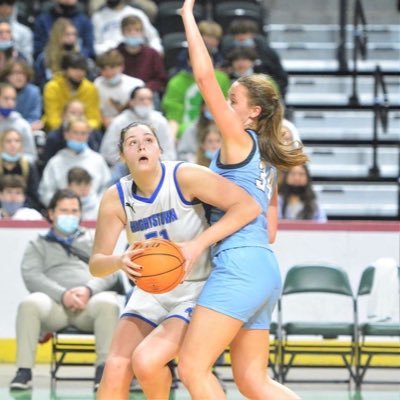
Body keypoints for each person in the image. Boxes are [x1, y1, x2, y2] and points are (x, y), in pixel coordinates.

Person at [179, 2, 308, 399]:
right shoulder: (269, 157)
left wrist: (187, 14)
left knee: (191, 367)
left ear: (252, 113)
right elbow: (269, 231)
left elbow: (203, 77)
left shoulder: (238, 141)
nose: (224, 105)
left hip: (238, 266)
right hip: (264, 269)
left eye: (231, 101)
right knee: (254, 382)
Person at [89, 121, 261, 399]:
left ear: (159, 148)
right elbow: (96, 264)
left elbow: (248, 206)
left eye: (148, 140)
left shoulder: (185, 176)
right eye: (132, 142)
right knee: (115, 367)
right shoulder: (115, 197)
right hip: (151, 290)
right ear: (122, 155)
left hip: (196, 287)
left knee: (146, 361)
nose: (141, 145)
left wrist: (197, 245)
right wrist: (119, 260)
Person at [9, 189, 120, 392]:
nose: (70, 215)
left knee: (109, 303)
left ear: (80, 213)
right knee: (29, 304)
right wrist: (63, 294)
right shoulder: (38, 244)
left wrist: (88, 290)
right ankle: (23, 371)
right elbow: (32, 276)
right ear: (51, 213)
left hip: (89, 305)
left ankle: (103, 371)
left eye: (74, 211)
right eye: (64, 210)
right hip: (55, 307)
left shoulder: (94, 239)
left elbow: (110, 271)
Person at [38, 116, 111, 207]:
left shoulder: (98, 160)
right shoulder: (55, 162)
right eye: (75, 133)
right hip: (63, 213)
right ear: (66, 134)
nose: (79, 137)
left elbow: (107, 188)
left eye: (83, 133)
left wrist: (96, 205)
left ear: (88, 135)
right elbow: (45, 192)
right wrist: (61, 206)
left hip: (94, 213)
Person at [100, 86, 176, 167]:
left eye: (149, 99)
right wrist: (130, 164)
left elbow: (169, 151)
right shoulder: (119, 121)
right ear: (131, 102)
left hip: (157, 166)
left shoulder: (160, 121)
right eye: (141, 99)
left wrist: (152, 164)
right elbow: (108, 151)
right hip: (125, 167)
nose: (146, 102)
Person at [42, 52, 102, 131]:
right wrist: (70, 129)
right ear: (65, 70)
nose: (79, 73)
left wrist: (82, 128)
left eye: (82, 69)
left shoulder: (91, 88)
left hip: (84, 130)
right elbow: (52, 119)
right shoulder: (52, 87)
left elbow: (94, 119)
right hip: (58, 130)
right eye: (74, 69)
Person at [116, 15, 167, 98]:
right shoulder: (115, 54)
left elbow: (160, 79)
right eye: (129, 30)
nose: (133, 33)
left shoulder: (152, 54)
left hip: (146, 93)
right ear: (122, 32)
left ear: (142, 32)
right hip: (121, 93)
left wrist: (145, 88)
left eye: (137, 30)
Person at [94, 48, 144, 129]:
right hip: (105, 126)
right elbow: (95, 109)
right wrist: (103, 120)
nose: (109, 72)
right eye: (104, 69)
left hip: (133, 125)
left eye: (112, 67)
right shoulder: (97, 84)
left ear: (121, 66)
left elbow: (141, 111)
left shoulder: (136, 84)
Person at [92, 0, 162, 55]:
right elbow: (96, 45)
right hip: (111, 59)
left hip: (138, 54)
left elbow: (153, 37)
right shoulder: (97, 17)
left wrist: (156, 52)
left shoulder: (137, 13)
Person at [0, 128, 41, 209]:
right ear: (1, 144)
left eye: (17, 141)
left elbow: (34, 196)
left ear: (21, 145)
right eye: (8, 141)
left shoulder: (29, 167)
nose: (13, 144)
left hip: (24, 209)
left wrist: (21, 206)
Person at [0, 83, 37, 163]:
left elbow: (31, 155)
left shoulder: (23, 125)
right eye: (6, 98)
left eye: (13, 99)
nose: (10, 103)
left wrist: (15, 162)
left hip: (18, 168)